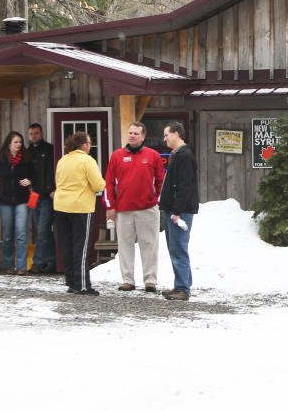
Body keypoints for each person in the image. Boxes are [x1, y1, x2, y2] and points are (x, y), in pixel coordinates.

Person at [104, 122, 165, 292]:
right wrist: (110, 206)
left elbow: (161, 180)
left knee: (149, 243)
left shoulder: (153, 155)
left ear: (143, 136)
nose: (132, 136)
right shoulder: (116, 156)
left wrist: (156, 199)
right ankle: (127, 279)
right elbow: (108, 183)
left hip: (147, 208)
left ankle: (150, 280)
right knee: (125, 245)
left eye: (136, 133)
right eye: (130, 133)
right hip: (124, 209)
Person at [54, 132, 106, 295]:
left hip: (60, 206)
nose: (90, 146)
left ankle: (71, 281)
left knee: (67, 245)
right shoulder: (87, 160)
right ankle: (82, 284)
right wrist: (104, 183)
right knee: (81, 247)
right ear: (84, 145)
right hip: (80, 207)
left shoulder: (63, 160)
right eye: (89, 143)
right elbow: (98, 185)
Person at [0, 131, 34, 275]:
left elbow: (34, 173)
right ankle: (9, 265)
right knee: (7, 234)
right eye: (16, 142)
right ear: (9, 144)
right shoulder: (1, 158)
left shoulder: (26, 158)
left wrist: (30, 180)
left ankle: (22, 267)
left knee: (21, 233)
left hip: (22, 200)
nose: (18, 145)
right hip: (5, 201)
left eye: (20, 142)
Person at [160, 122, 198, 301]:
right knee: (174, 248)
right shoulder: (177, 154)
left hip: (179, 212)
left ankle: (183, 289)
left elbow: (185, 186)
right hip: (172, 209)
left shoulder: (185, 156)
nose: (164, 139)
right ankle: (180, 285)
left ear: (176, 134)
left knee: (179, 249)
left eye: (167, 135)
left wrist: (177, 211)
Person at [26, 123, 57, 273]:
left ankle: (37, 262)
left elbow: (53, 172)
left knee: (43, 229)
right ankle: (52, 261)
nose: (34, 136)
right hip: (33, 196)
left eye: (36, 133)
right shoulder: (26, 152)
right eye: (31, 134)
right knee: (44, 231)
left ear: (42, 133)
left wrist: (52, 189)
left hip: (46, 196)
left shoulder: (50, 150)